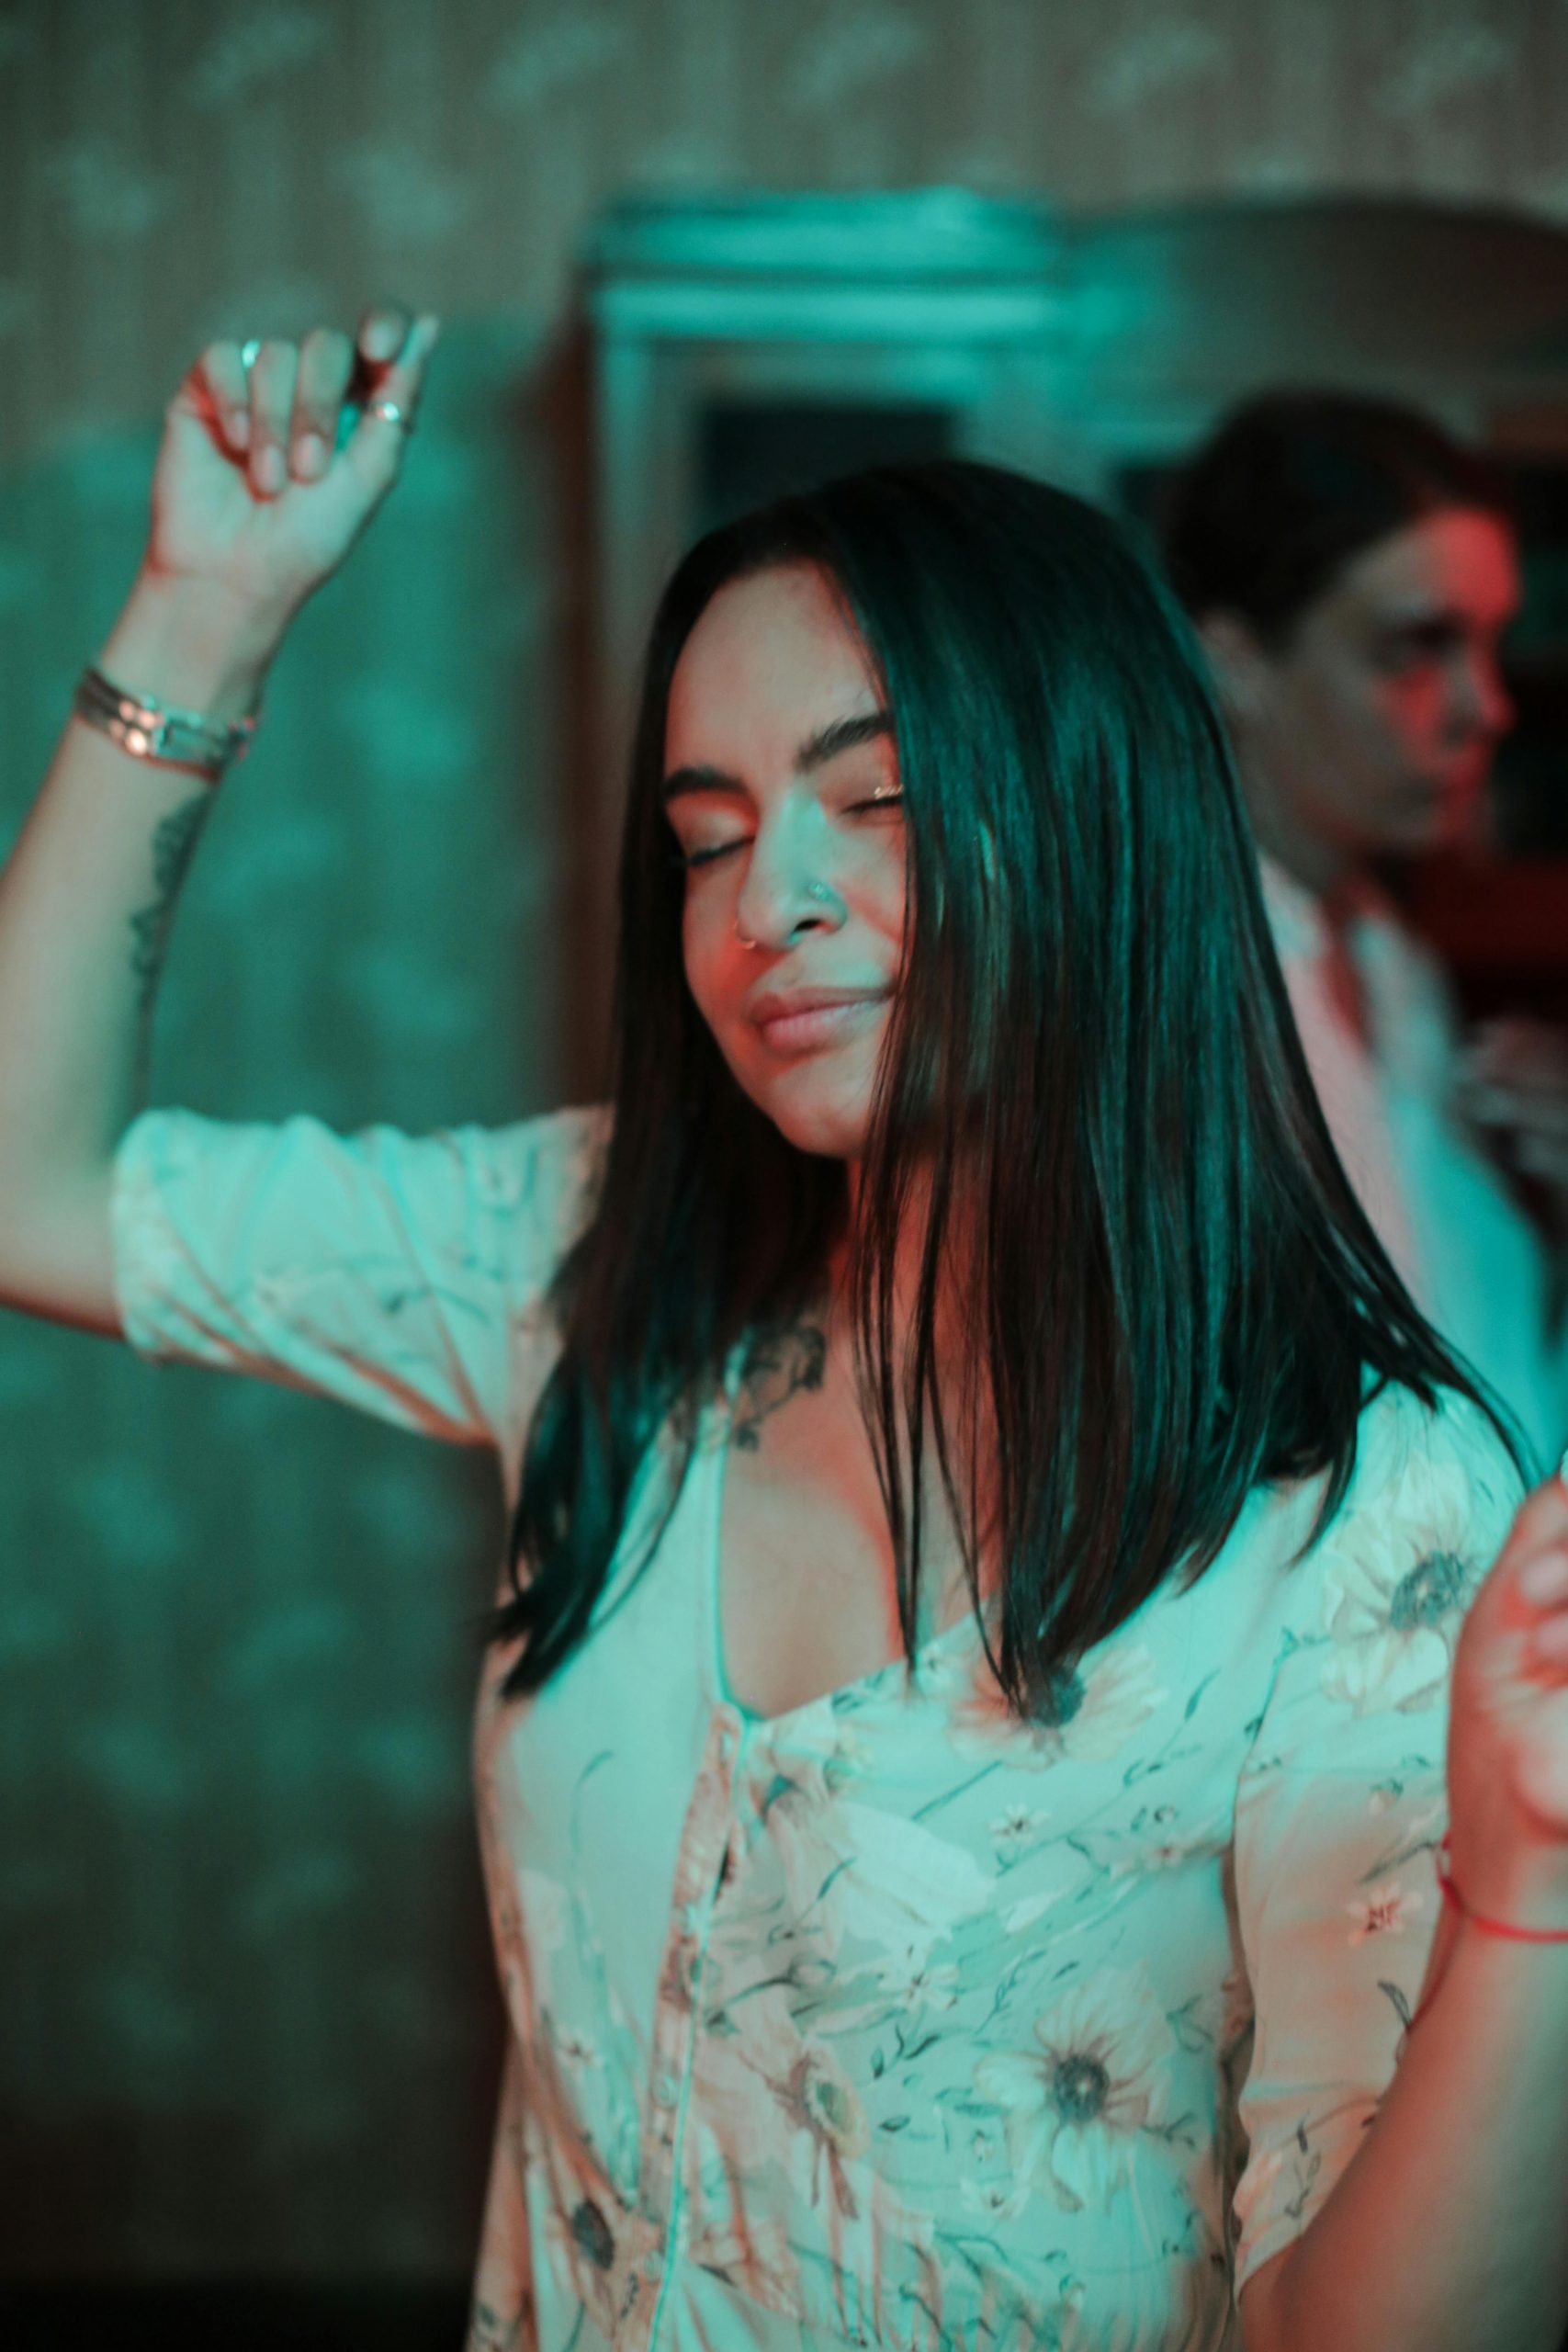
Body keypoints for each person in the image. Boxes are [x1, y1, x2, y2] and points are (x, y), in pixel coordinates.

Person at [5, 309, 1568, 2352]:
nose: (767, 907)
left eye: (874, 797)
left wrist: (1523, 1899)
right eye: (709, 837)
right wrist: (203, 616)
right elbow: (29, 1192)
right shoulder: (598, 1265)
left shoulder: (1362, 1509)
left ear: (1091, 813)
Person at [1162, 390, 1568, 1473]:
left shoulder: (1397, 965)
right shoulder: (1177, 998)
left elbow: (1498, 1394)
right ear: (1236, 660)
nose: (1486, 706)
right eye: (1417, 647)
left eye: (1490, 645)